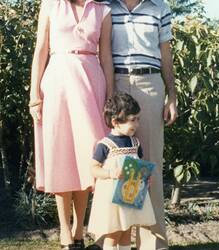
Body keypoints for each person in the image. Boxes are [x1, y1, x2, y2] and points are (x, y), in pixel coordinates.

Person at [29, 0, 113, 249]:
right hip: (57, 85)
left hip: (91, 86)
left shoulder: (103, 10)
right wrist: (34, 95)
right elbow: (40, 50)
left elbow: (106, 55)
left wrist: (110, 96)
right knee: (61, 157)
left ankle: (79, 229)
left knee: (90, 159)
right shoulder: (51, 5)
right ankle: (66, 233)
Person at [110, 0, 178, 249]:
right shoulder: (107, 6)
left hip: (150, 84)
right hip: (116, 83)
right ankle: (120, 242)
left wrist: (172, 95)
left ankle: (153, 244)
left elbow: (166, 53)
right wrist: (108, 94)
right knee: (123, 165)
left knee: (148, 165)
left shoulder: (160, 7)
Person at [88, 93, 156, 250]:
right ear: (115, 122)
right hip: (112, 199)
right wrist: (111, 173)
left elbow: (140, 163)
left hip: (130, 195)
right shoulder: (105, 145)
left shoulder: (135, 142)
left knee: (127, 230)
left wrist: (145, 177)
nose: (137, 124)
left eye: (138, 119)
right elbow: (93, 168)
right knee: (114, 233)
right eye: (133, 120)